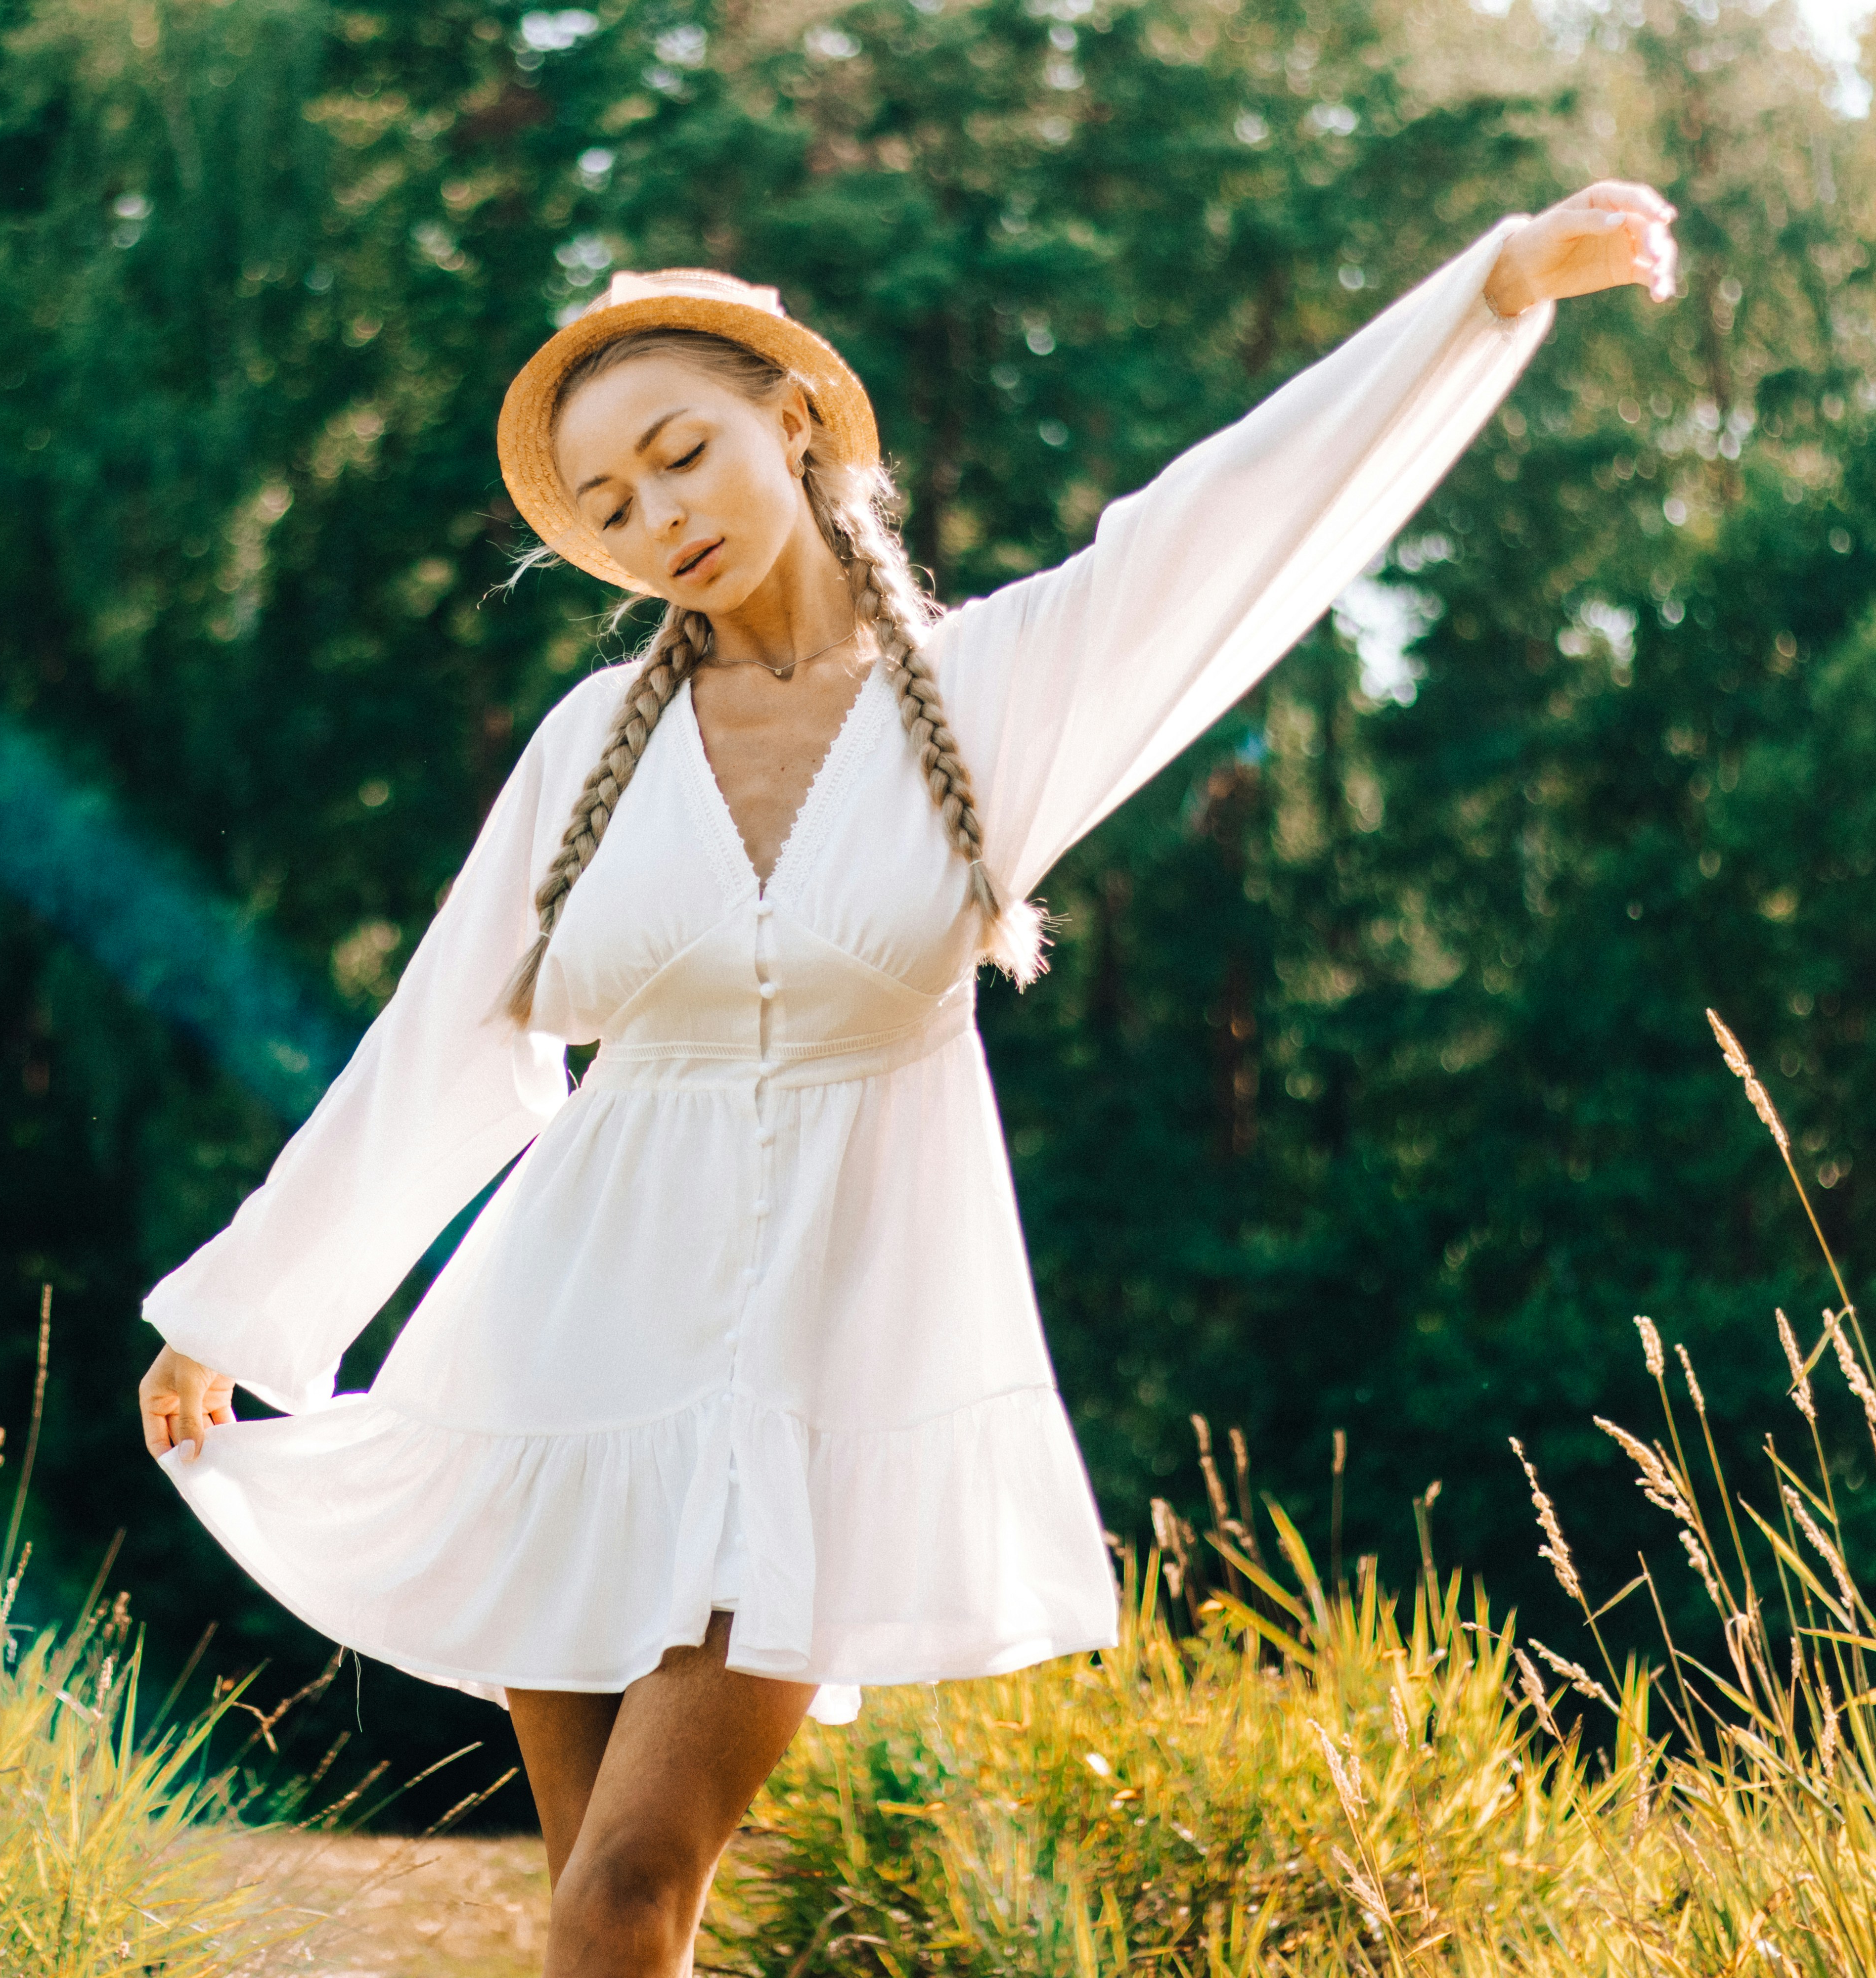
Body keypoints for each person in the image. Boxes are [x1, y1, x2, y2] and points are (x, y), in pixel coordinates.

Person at [139, 182, 1679, 1977]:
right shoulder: (587, 748)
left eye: (682, 455)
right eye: (613, 508)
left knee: (634, 1884)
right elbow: (442, 1039)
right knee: (600, 1914)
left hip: (815, 1391)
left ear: (790, 419)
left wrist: (1486, 286)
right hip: (559, 1368)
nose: (658, 521)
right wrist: (245, 1316)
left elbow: (1230, 521)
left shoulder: (994, 692)